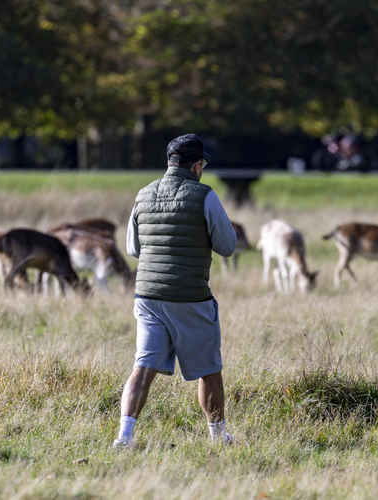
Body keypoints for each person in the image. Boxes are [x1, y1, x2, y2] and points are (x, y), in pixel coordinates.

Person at [113, 133, 237, 448]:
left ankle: (124, 437)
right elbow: (227, 246)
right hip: (190, 296)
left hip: (148, 295)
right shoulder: (205, 196)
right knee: (209, 370)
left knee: (142, 367)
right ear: (197, 166)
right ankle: (219, 437)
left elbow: (133, 248)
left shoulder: (143, 194)